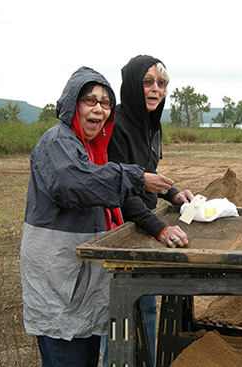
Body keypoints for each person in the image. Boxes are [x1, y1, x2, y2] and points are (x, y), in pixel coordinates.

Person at [19, 66, 184, 367]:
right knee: (64, 353)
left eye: (105, 103)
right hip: (59, 276)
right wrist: (136, 177)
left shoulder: (92, 148)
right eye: (90, 101)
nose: (99, 109)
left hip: (78, 279)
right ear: (72, 104)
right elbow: (75, 184)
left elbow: (103, 187)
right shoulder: (58, 142)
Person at [106, 55, 194, 366]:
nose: (156, 89)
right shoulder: (115, 126)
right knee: (117, 315)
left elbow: (145, 175)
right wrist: (159, 227)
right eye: (147, 82)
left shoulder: (150, 125)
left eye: (161, 83)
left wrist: (173, 194)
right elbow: (120, 194)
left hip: (140, 227)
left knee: (145, 304)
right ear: (131, 85)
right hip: (119, 230)